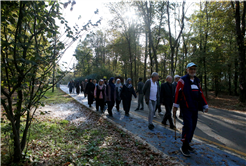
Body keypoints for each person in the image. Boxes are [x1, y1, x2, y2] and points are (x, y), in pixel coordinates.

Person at [173, 62, 208, 157]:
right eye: (191, 69)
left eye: (194, 69)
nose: (193, 71)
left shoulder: (197, 80)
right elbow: (177, 93)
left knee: (193, 127)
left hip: (195, 108)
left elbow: (200, 93)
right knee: (188, 126)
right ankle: (183, 147)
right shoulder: (182, 80)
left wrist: (205, 105)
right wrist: (175, 106)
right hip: (186, 108)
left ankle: (188, 144)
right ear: (187, 70)